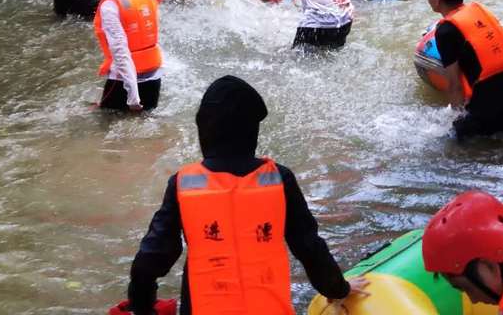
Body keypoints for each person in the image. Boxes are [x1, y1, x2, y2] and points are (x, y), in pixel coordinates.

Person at [126, 75, 369, 315]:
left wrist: (142, 307)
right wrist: (338, 289)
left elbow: (149, 261)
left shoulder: (183, 184)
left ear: (204, 129)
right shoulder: (279, 179)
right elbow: (309, 247)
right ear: (251, 131)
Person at [428, 0, 503, 140]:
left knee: (450, 142)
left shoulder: (446, 31)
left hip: (490, 112)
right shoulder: (479, 11)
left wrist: (456, 118)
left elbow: (455, 85)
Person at [94, 0, 168, 111]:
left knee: (105, 123)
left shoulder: (110, 6)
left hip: (123, 82)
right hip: (154, 76)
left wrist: (133, 97)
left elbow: (121, 52)